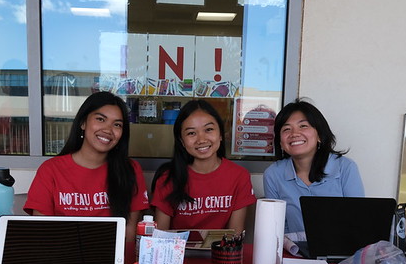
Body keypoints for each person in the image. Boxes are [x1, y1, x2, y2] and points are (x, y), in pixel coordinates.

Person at [24, 91, 149, 240]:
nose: (108, 130)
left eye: (117, 125)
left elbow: (129, 231)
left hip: (114, 260)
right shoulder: (50, 170)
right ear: (83, 122)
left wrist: (124, 263)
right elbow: (42, 232)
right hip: (63, 259)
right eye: (100, 119)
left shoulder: (130, 170)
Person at [263, 98, 364, 239]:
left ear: (320, 135)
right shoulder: (273, 174)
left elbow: (358, 220)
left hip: (340, 254)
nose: (294, 133)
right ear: (280, 142)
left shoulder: (345, 168)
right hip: (295, 253)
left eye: (303, 126)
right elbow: (277, 227)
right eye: (286, 129)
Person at [150, 100, 255, 233]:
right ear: (182, 141)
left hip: (221, 253)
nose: (201, 139)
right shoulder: (167, 178)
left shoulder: (239, 176)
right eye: (191, 133)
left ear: (221, 134)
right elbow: (161, 237)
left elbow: (234, 235)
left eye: (209, 130)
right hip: (178, 252)